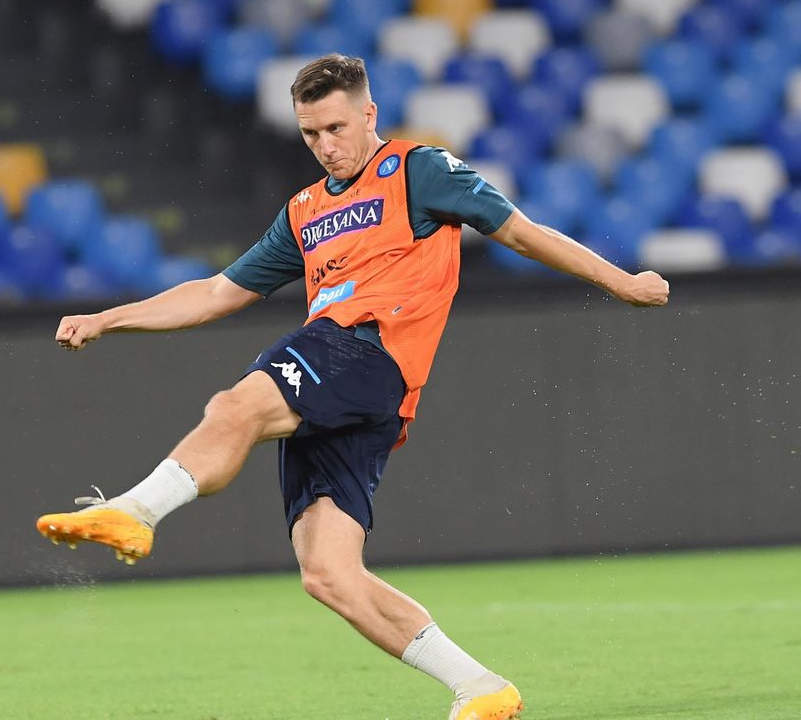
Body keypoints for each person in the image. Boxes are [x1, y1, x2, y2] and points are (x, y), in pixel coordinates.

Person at [36, 54, 669, 720]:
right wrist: (110, 318)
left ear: (369, 114)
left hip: (366, 353)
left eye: (336, 128)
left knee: (236, 405)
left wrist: (620, 282)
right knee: (328, 575)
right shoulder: (305, 211)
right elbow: (219, 291)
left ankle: (136, 512)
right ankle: (482, 688)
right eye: (310, 134)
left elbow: (519, 229)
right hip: (358, 399)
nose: (325, 146)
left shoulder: (418, 171)